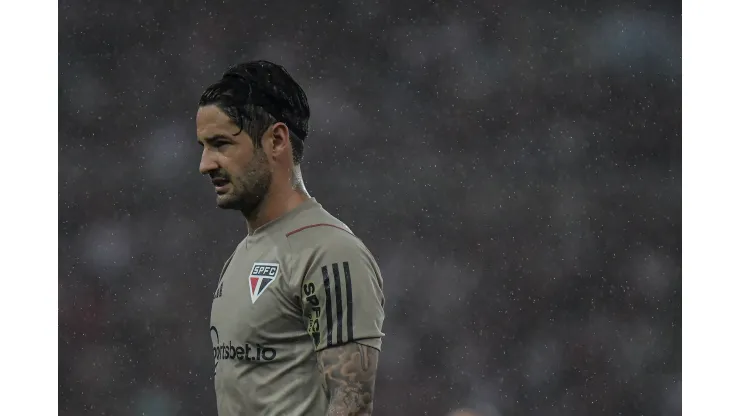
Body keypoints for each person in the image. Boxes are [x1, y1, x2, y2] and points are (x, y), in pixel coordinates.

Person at [196, 60, 385, 416]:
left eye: (221, 144)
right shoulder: (241, 256)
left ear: (276, 140)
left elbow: (353, 406)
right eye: (204, 146)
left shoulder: (329, 252)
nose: (205, 164)